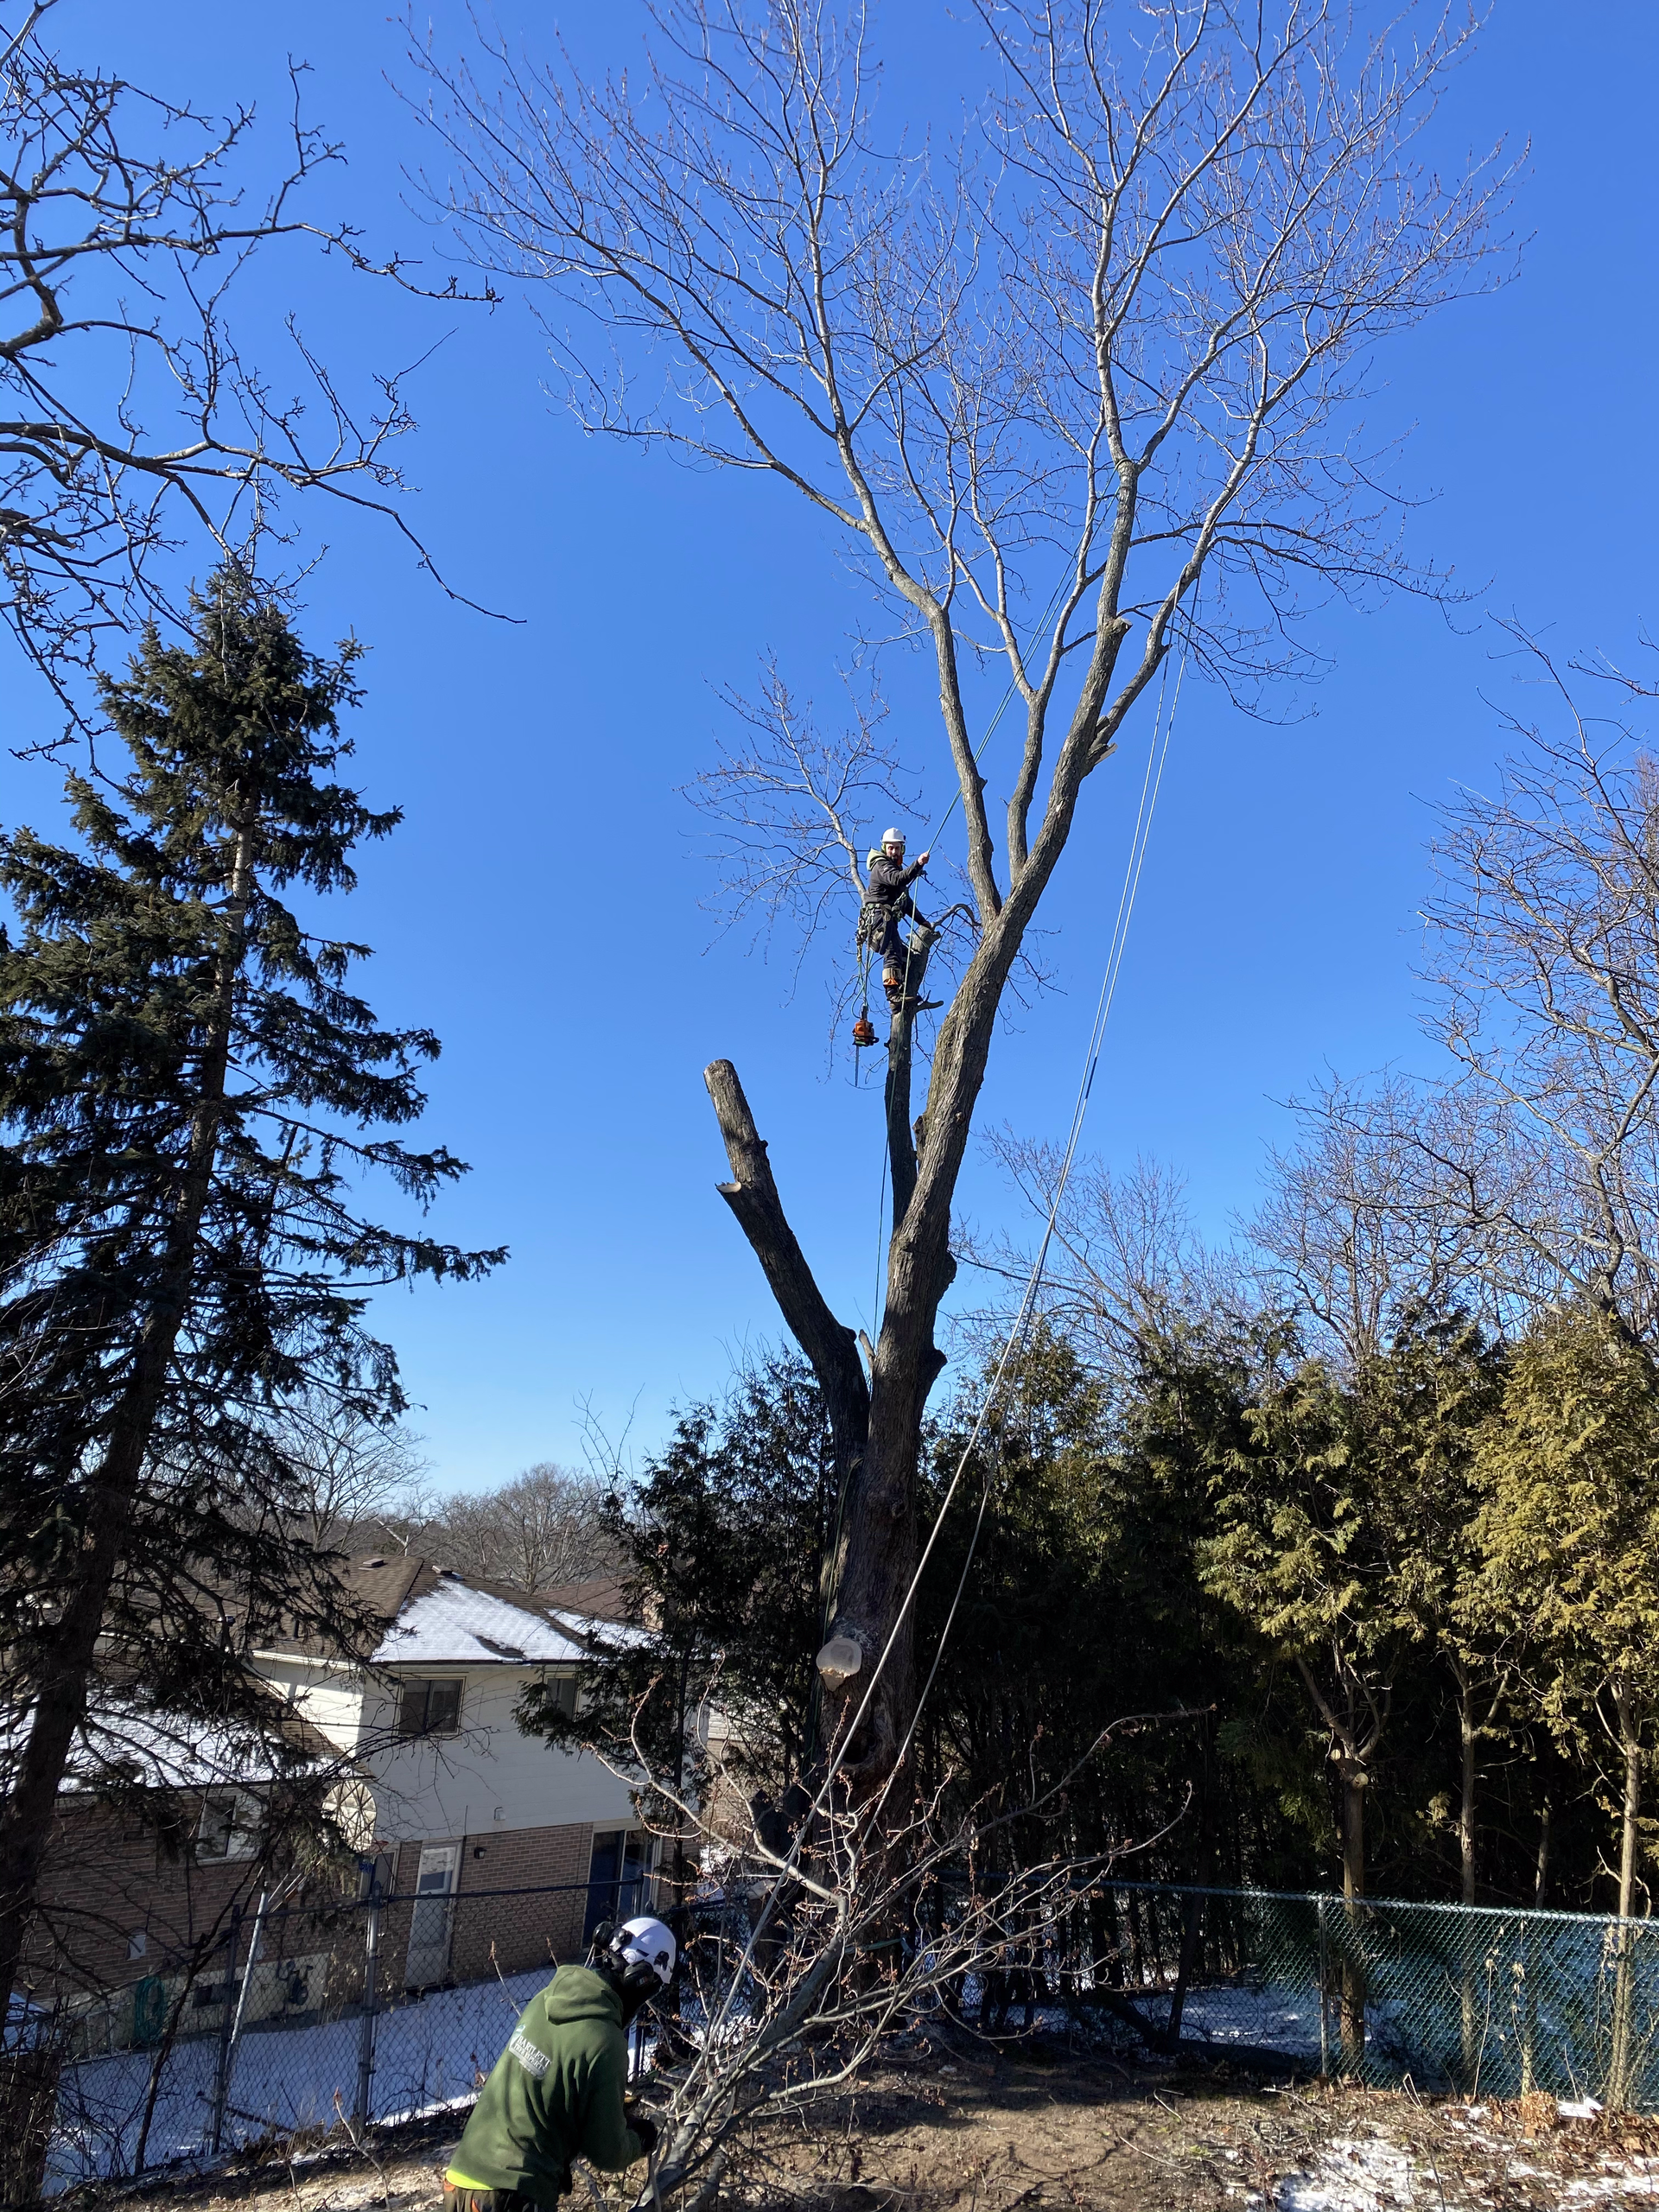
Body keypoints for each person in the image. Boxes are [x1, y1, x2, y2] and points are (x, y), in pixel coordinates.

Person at [442, 1915, 677, 2212]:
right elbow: (607, 2152)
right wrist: (640, 2138)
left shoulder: (547, 1998)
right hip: (513, 2192)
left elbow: (550, 2083)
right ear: (641, 1980)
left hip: (460, 2178)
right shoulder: (606, 2042)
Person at [859, 826, 931, 1007]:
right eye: (890, 848)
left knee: (905, 955)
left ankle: (903, 989)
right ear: (884, 848)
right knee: (892, 950)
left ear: (902, 849)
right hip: (879, 918)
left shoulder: (894, 869)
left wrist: (923, 922)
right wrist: (918, 864)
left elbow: (905, 902)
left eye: (897, 848)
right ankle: (892, 994)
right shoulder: (882, 866)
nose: (894, 851)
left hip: (886, 919)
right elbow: (898, 879)